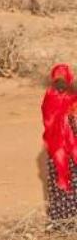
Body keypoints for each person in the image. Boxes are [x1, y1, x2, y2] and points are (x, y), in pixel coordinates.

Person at [42, 63, 77, 220]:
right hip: (70, 148)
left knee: (60, 182)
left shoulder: (48, 97)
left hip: (56, 150)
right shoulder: (73, 98)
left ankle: (61, 220)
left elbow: (48, 122)